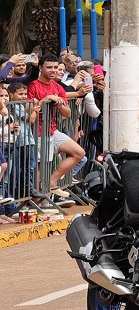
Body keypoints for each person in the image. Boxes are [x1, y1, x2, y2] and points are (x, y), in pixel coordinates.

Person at [27, 54, 86, 206]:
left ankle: (52, 182)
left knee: (79, 153)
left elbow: (67, 114)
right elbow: (30, 109)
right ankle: (36, 204)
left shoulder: (57, 86)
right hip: (37, 130)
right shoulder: (32, 85)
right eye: (49, 67)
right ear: (40, 68)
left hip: (52, 129)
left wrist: (60, 104)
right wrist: (48, 98)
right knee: (41, 165)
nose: (53, 70)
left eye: (55, 67)